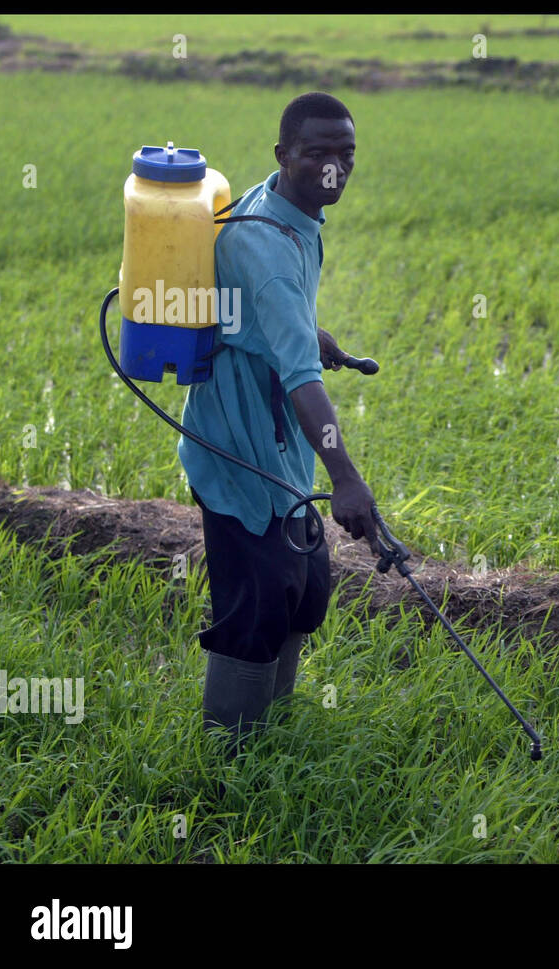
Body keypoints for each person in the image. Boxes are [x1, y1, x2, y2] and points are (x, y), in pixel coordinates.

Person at [179, 91, 381, 752]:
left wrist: (307, 331)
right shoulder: (267, 248)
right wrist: (346, 480)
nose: (333, 168)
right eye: (317, 153)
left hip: (280, 452)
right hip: (239, 453)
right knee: (258, 604)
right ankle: (230, 760)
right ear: (283, 155)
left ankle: (273, 736)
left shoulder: (289, 213)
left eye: (345, 154)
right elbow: (299, 377)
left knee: (304, 590)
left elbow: (271, 318)